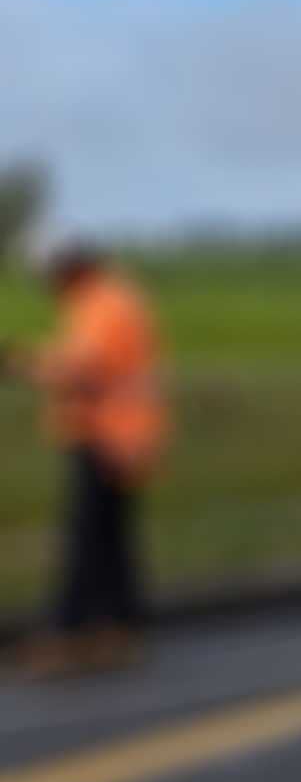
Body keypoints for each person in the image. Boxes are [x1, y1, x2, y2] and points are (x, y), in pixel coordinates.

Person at [7, 243, 170, 675]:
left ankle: (70, 633)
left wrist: (18, 364)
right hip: (126, 434)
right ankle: (120, 629)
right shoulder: (113, 297)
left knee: (87, 538)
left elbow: (81, 368)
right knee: (111, 539)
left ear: (68, 270)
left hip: (107, 434)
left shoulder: (103, 304)